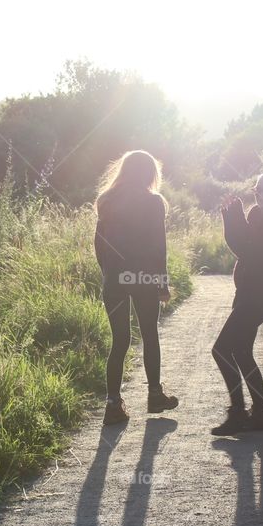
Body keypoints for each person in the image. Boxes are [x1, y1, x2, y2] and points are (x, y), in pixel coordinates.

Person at [94, 150, 180, 425]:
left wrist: (108, 275)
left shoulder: (105, 200)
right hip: (143, 277)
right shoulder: (153, 201)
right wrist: (162, 283)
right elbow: (158, 247)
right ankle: (155, 395)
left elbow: (99, 244)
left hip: (115, 279)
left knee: (119, 341)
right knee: (149, 334)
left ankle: (113, 404)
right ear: (149, 173)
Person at [210, 171, 263, 436]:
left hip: (259, 297)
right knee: (242, 352)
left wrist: (233, 219)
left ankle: (238, 414)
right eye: (258, 191)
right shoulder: (261, 214)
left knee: (221, 350)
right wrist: (232, 218)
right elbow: (244, 245)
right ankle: (261, 414)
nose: (262, 196)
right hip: (250, 294)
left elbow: (247, 249)